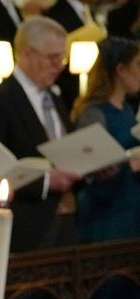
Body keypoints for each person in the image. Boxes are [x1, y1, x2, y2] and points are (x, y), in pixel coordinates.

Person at [0, 16, 80, 253]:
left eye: (62, 57)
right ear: (27, 54)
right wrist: (48, 181)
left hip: (64, 221)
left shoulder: (54, 96)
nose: (59, 65)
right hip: (23, 227)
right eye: (52, 57)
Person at [71, 36, 140, 243]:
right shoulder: (94, 113)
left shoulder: (127, 109)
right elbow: (90, 163)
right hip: (105, 212)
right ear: (120, 70)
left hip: (130, 204)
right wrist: (130, 163)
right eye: (138, 65)